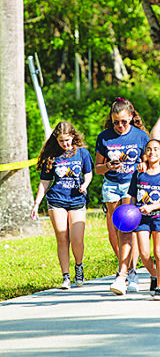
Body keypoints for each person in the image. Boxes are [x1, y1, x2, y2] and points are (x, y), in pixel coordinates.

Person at [31, 122, 93, 290]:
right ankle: (65, 276)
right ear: (56, 140)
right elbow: (45, 182)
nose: (65, 144)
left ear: (73, 137)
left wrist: (85, 185)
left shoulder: (82, 153)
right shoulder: (52, 156)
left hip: (77, 200)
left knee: (77, 238)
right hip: (56, 199)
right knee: (62, 235)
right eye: (61, 141)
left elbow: (88, 174)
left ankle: (78, 267)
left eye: (67, 140)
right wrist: (36, 204)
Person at [95, 98, 149, 292]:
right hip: (111, 186)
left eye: (124, 121)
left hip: (131, 184)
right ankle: (128, 270)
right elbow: (97, 169)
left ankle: (125, 274)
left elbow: (150, 161)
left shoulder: (141, 136)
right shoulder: (104, 137)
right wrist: (108, 166)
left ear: (131, 117)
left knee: (127, 227)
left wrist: (144, 165)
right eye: (116, 122)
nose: (120, 125)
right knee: (118, 230)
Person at [121, 140, 160, 299]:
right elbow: (131, 195)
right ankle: (155, 275)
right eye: (149, 150)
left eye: (156, 149)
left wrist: (152, 207)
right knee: (144, 254)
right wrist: (129, 212)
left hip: (158, 217)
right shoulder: (138, 174)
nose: (152, 152)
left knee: (158, 252)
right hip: (141, 219)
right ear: (145, 153)